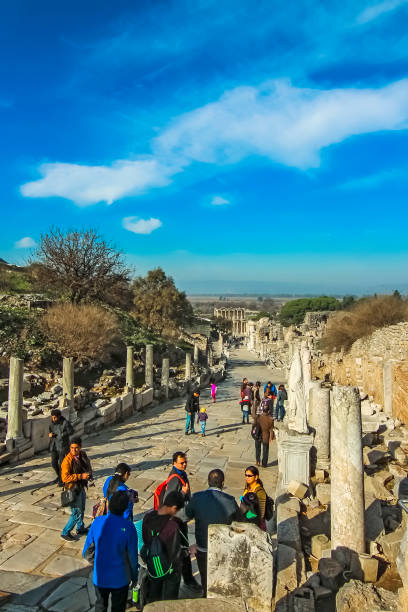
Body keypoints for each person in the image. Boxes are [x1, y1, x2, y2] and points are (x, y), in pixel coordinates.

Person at [184, 469, 241, 596]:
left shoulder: (197, 498)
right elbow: (240, 520)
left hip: (203, 547)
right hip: (222, 547)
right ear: (222, 483)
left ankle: (206, 595)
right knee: (221, 577)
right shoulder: (230, 500)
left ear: (208, 482)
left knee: (205, 577)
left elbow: (186, 515)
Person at [83, 491, 139, 612]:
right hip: (121, 579)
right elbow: (133, 558)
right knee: (118, 608)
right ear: (125, 507)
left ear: (109, 504)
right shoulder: (129, 527)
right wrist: (135, 577)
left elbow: (86, 552)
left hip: (100, 576)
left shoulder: (97, 522)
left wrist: (98, 562)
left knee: (100, 605)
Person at [165, 452, 201, 592]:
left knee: (183, 550)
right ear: (174, 463)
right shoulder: (175, 478)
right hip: (176, 521)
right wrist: (182, 494)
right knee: (181, 550)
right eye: (181, 463)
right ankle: (186, 579)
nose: (184, 464)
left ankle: (187, 578)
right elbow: (168, 501)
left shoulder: (182, 474)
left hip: (181, 519)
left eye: (185, 462)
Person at [142, 491, 185, 603]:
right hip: (169, 571)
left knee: (153, 597)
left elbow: (145, 541)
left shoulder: (148, 517)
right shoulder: (174, 526)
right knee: (169, 601)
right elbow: (176, 554)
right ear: (174, 508)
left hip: (152, 565)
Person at [60, 437, 93, 541]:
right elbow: (65, 478)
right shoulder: (67, 461)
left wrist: (89, 474)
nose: (74, 450)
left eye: (76, 448)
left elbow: (87, 465)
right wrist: (80, 476)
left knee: (82, 508)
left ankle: (80, 528)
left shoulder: (83, 454)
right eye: (72, 448)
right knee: (76, 513)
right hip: (72, 489)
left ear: (80, 447)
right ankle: (65, 532)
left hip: (81, 487)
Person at [49, 409, 73, 486]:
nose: (53, 419)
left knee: (61, 464)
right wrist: (51, 435)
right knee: (53, 463)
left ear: (59, 416)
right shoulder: (52, 424)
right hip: (54, 445)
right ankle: (59, 476)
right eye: (52, 418)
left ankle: (62, 479)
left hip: (63, 445)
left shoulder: (65, 423)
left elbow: (71, 431)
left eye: (55, 418)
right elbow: (50, 431)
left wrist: (61, 435)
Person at [241, 466, 267, 530]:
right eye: (246, 475)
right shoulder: (247, 487)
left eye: (249, 476)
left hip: (255, 525)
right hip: (246, 521)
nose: (247, 478)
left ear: (256, 477)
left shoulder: (260, 491)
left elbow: (262, 512)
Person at [254, 393, 275, 468]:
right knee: (265, 450)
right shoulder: (270, 420)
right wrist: (271, 438)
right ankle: (264, 464)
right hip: (266, 436)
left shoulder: (258, 417)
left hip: (258, 434)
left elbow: (253, 414)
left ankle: (257, 461)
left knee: (257, 448)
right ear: (268, 410)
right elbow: (271, 429)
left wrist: (255, 406)